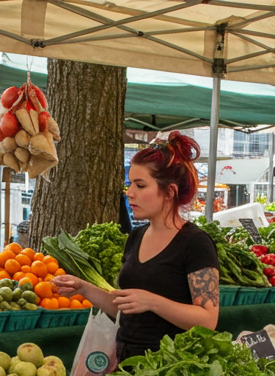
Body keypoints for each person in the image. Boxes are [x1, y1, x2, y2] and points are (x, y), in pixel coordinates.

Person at [51, 131, 219, 362]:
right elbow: (126, 307)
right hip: (127, 366)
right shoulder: (136, 236)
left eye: (140, 186)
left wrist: (152, 301)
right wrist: (83, 288)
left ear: (169, 192)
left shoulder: (195, 243)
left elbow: (208, 320)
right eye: (130, 184)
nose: (129, 193)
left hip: (172, 370)